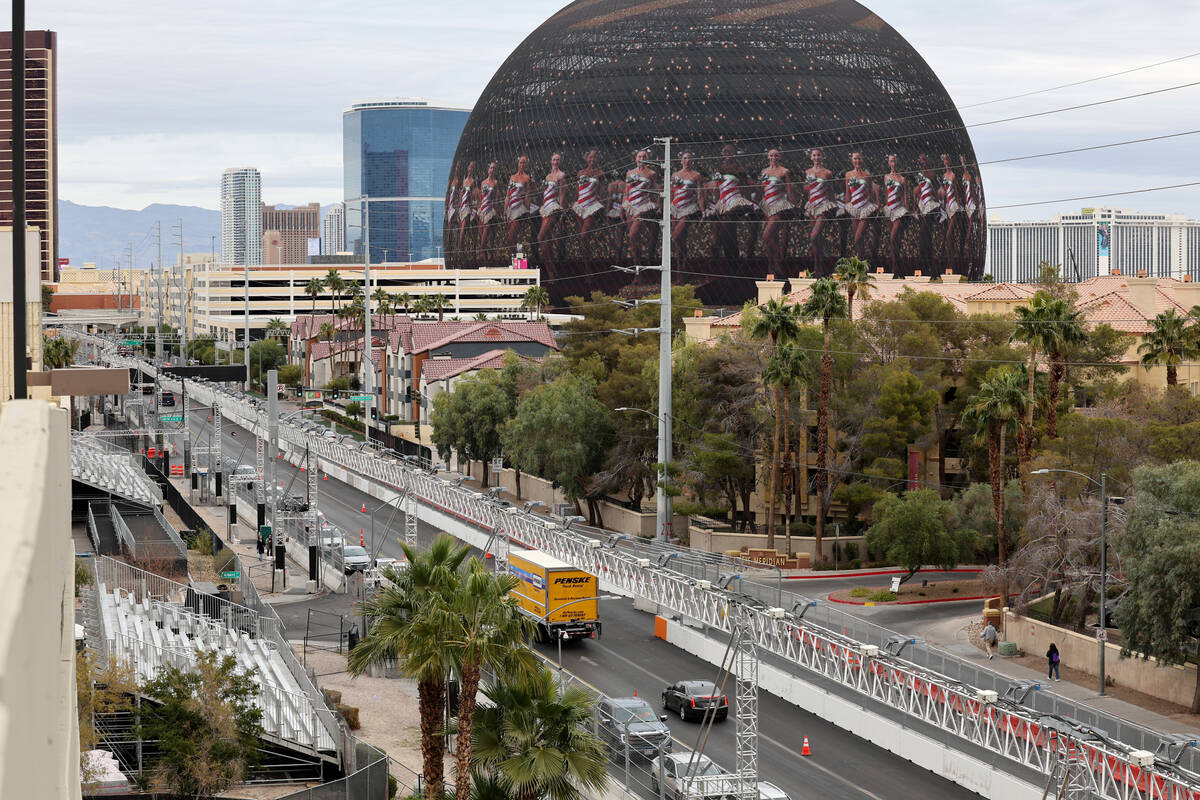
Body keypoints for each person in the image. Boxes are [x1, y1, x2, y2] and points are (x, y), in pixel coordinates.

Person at [759, 149, 796, 277]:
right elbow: (762, 189)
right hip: (767, 205)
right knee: (772, 238)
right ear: (767, 157)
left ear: (779, 156)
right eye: (771, 155)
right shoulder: (764, 172)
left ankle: (777, 262)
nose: (773, 157)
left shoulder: (784, 171)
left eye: (776, 155)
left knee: (766, 236)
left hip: (779, 205)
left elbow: (789, 190)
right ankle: (772, 266)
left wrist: (793, 206)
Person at [803, 148, 838, 276]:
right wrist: (807, 184)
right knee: (816, 240)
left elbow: (831, 190)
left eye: (818, 155)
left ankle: (820, 266)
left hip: (823, 205)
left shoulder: (827, 173)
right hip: (812, 205)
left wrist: (835, 206)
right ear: (811, 157)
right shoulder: (808, 172)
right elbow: (806, 190)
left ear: (822, 157)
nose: (816, 157)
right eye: (814, 155)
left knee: (814, 235)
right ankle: (818, 268)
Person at [624, 149, 660, 264]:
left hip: (643, 205)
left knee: (632, 234)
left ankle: (646, 260)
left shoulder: (652, 173)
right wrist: (622, 205)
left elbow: (655, 191)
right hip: (630, 206)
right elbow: (626, 190)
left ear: (648, 159)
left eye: (644, 157)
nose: (642, 159)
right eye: (639, 157)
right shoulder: (629, 173)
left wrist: (658, 206)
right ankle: (637, 266)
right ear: (635, 158)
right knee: (634, 239)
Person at [671, 151, 704, 270]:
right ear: (681, 160)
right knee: (680, 241)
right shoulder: (675, 175)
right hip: (674, 208)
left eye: (689, 158)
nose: (687, 160)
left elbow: (700, 194)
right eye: (685, 158)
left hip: (688, 208)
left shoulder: (696, 175)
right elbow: (671, 192)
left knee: (676, 235)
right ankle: (681, 268)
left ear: (692, 161)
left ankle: (682, 267)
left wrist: (702, 211)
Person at [843, 151, 878, 260]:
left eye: (859, 159)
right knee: (859, 239)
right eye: (855, 159)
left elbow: (870, 194)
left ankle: (862, 259)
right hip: (853, 208)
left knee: (858, 237)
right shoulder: (848, 175)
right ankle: (861, 262)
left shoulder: (867, 175)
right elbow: (848, 193)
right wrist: (846, 208)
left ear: (862, 160)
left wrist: (874, 208)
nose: (857, 161)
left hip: (865, 208)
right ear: (851, 160)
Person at [537, 153, 568, 270]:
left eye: (557, 160)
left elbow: (562, 194)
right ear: (551, 161)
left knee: (540, 237)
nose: (555, 162)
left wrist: (562, 212)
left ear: (560, 162)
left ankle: (551, 269)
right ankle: (552, 270)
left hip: (554, 208)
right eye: (554, 159)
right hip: (545, 207)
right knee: (547, 240)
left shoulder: (562, 175)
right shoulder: (547, 176)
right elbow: (544, 193)